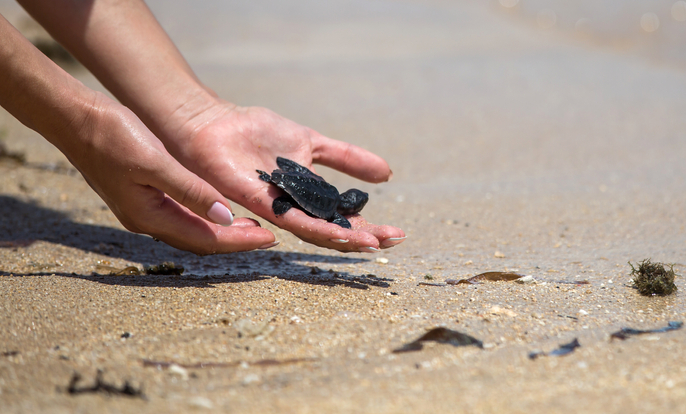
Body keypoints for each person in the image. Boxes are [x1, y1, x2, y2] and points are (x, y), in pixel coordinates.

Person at [0, 0, 405, 255]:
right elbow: (304, 185)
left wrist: (195, 114)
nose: (355, 205)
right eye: (355, 206)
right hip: (294, 185)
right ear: (347, 211)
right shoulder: (334, 208)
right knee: (288, 191)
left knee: (287, 188)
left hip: (290, 181)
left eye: (355, 203)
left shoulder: (332, 201)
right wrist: (82, 123)